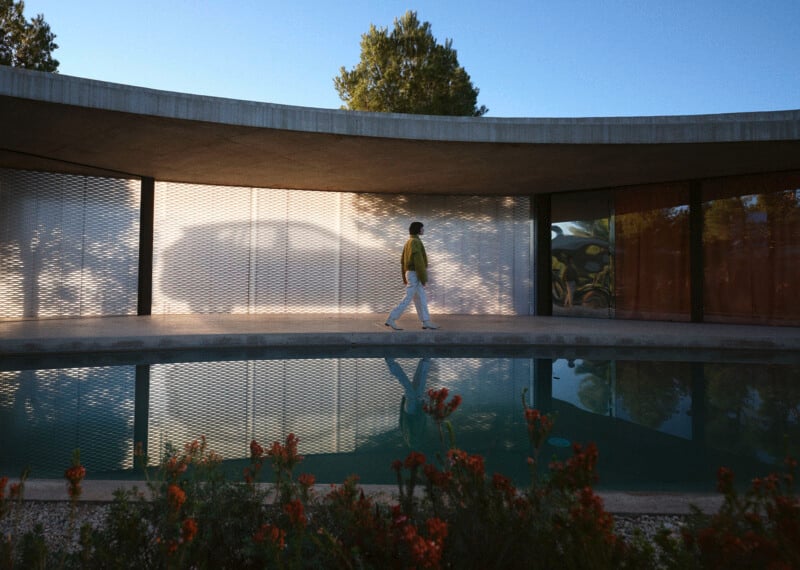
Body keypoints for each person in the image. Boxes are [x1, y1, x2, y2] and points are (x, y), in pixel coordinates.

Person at [385, 221, 439, 330]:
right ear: (418, 230)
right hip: (415, 274)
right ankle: (391, 318)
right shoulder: (415, 242)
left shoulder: (409, 242)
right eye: (422, 228)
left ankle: (426, 321)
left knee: (421, 298)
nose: (423, 230)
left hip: (411, 273)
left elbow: (402, 261)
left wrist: (405, 276)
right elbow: (418, 261)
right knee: (408, 297)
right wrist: (423, 277)